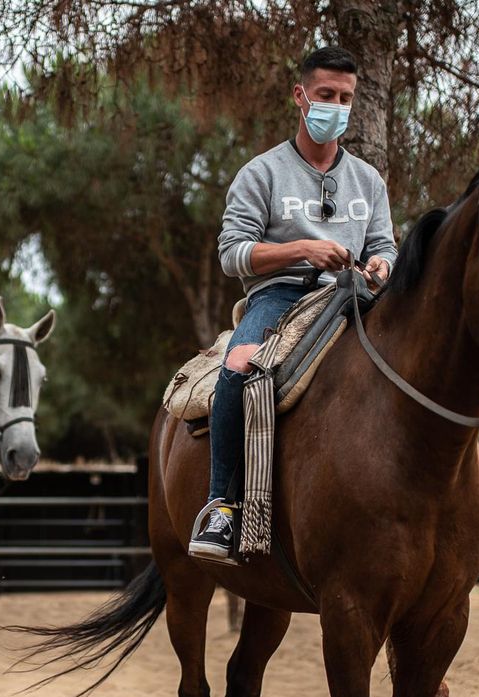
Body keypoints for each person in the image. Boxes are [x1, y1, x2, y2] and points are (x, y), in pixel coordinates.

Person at [189, 46, 398, 562]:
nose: (336, 106)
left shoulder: (368, 180)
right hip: (279, 297)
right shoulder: (261, 173)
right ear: (300, 96)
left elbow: (385, 245)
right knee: (237, 367)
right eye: (326, 95)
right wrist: (304, 248)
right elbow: (232, 254)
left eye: (345, 98)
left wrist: (381, 267)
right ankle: (222, 505)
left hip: (355, 297)